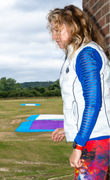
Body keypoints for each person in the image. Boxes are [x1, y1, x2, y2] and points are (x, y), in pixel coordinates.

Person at [47, 5, 110, 180]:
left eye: (57, 30)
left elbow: (93, 102)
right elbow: (78, 103)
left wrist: (79, 147)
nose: (54, 37)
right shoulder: (76, 55)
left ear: (73, 27)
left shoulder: (86, 55)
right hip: (91, 138)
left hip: (95, 140)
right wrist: (69, 128)